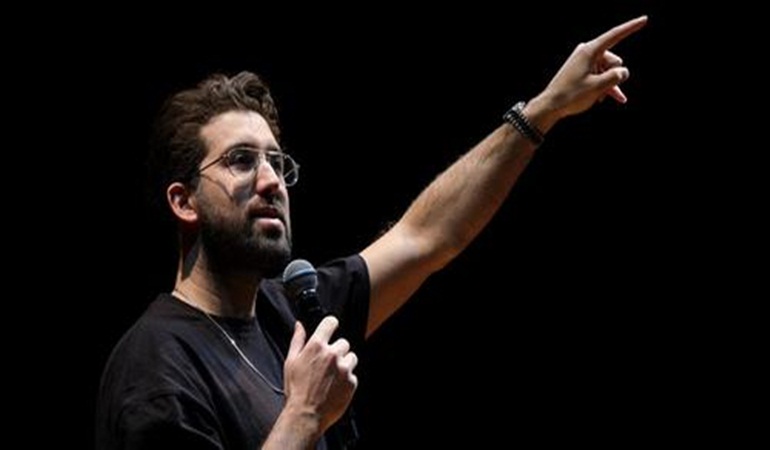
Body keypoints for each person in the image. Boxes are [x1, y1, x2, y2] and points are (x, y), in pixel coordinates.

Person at [95, 15, 647, 450]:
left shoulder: (288, 314)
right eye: (241, 161)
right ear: (183, 201)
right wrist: (303, 416)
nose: (271, 181)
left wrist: (544, 110)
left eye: (277, 163)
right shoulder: (156, 367)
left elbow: (426, 236)